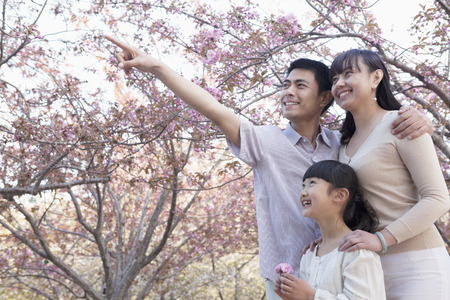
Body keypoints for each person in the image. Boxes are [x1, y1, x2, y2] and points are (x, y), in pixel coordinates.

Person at [104, 35, 433, 299]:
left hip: (345, 268)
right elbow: (214, 110)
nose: (288, 92)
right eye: (286, 85)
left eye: (300, 86)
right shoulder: (265, 142)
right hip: (288, 277)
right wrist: (157, 67)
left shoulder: (341, 145)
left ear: (323, 99)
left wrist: (422, 122)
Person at [330, 49, 450, 299]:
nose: (339, 83)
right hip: (370, 269)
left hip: (420, 266)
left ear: (376, 78)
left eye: (348, 73)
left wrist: (381, 240)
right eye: (334, 79)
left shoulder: (402, 123)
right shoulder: (342, 147)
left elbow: (437, 198)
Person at [275, 160, 386, 299]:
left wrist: (310, 296)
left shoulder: (357, 251)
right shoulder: (309, 255)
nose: (303, 192)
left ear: (340, 195)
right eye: (303, 185)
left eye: (312, 184)